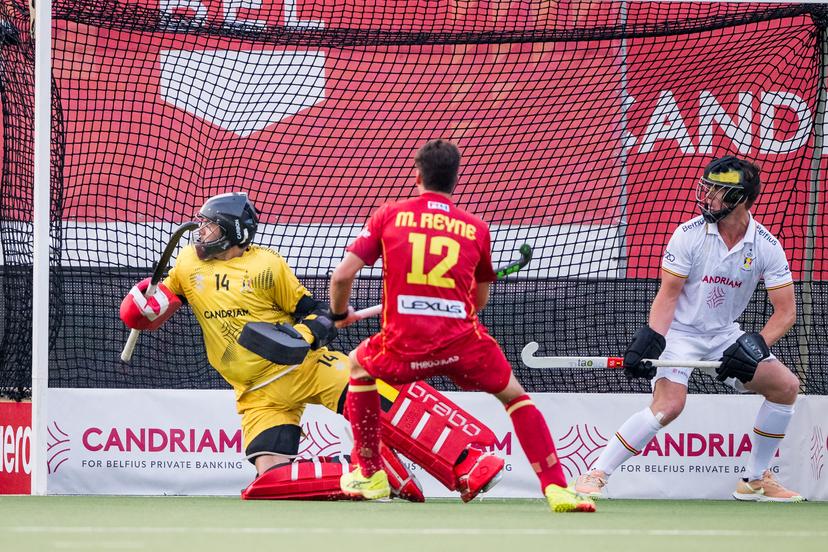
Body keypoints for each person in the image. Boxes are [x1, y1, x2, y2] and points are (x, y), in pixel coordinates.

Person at [119, 191, 498, 502]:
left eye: (209, 225)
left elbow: (315, 312)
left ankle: (468, 461)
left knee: (378, 397)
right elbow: (159, 306)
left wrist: (309, 332)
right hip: (256, 394)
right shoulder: (187, 264)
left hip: (306, 368)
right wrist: (141, 309)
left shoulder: (267, 266)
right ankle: (368, 470)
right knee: (266, 483)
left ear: (233, 232)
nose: (200, 232)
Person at [329, 139, 596, 512]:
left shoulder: (389, 215)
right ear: (456, 179)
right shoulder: (475, 228)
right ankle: (556, 488)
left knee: (357, 366)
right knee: (516, 397)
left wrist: (342, 315)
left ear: (417, 175)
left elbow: (342, 277)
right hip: (462, 343)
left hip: (403, 343)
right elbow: (479, 301)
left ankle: (370, 473)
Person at [574, 156, 804, 502]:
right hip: (680, 333)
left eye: (717, 191)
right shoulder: (688, 234)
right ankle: (595, 474)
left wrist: (755, 345)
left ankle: (755, 479)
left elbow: (786, 313)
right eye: (707, 187)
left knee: (786, 388)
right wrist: (652, 340)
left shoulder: (767, 246)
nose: (707, 196)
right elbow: (668, 296)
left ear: (739, 199)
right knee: (670, 405)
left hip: (725, 336)